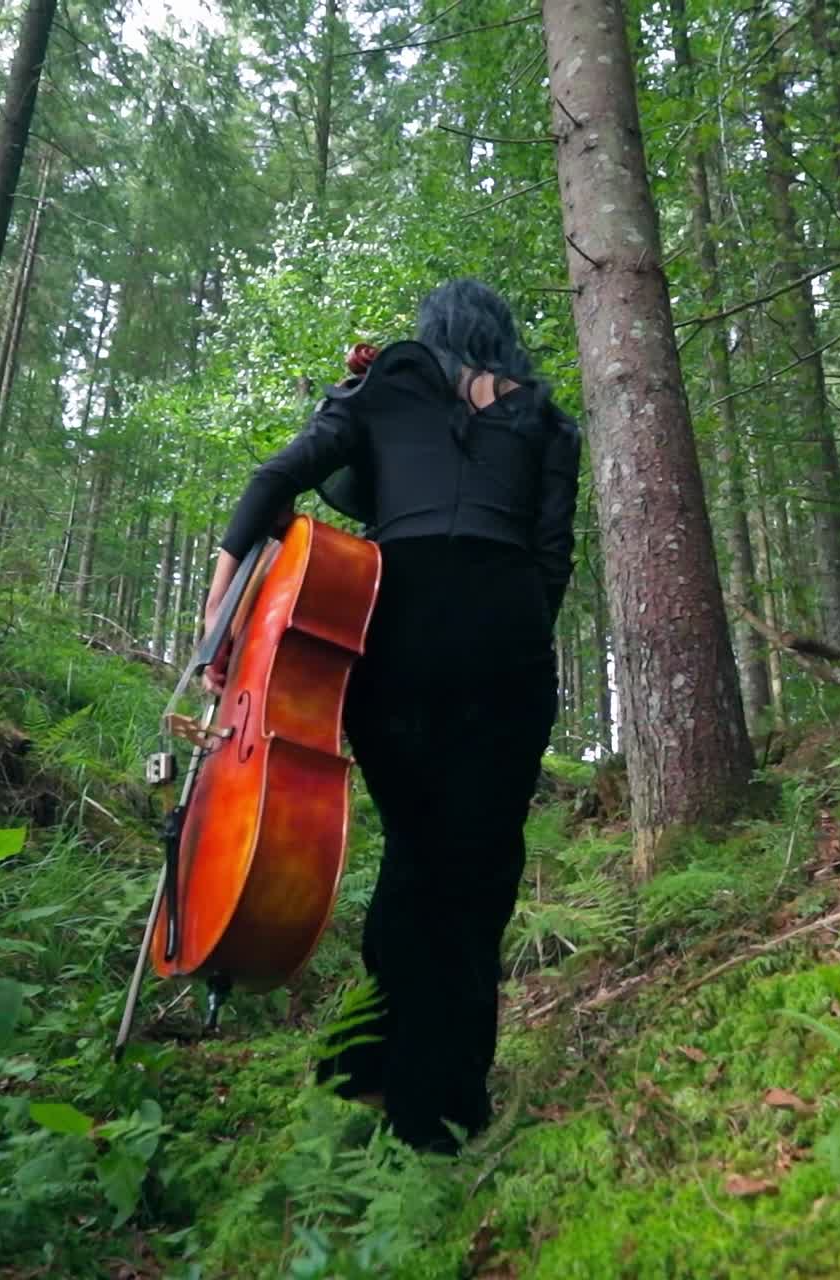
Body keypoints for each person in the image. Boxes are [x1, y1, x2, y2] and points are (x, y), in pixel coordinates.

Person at [202, 279, 581, 1154]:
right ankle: (439, 1105)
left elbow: (279, 480)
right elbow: (552, 557)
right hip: (507, 638)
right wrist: (514, 638)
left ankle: (371, 1061)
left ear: (433, 333)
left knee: (417, 846)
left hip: (395, 631)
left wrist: (217, 609)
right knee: (479, 868)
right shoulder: (551, 423)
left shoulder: (381, 386)